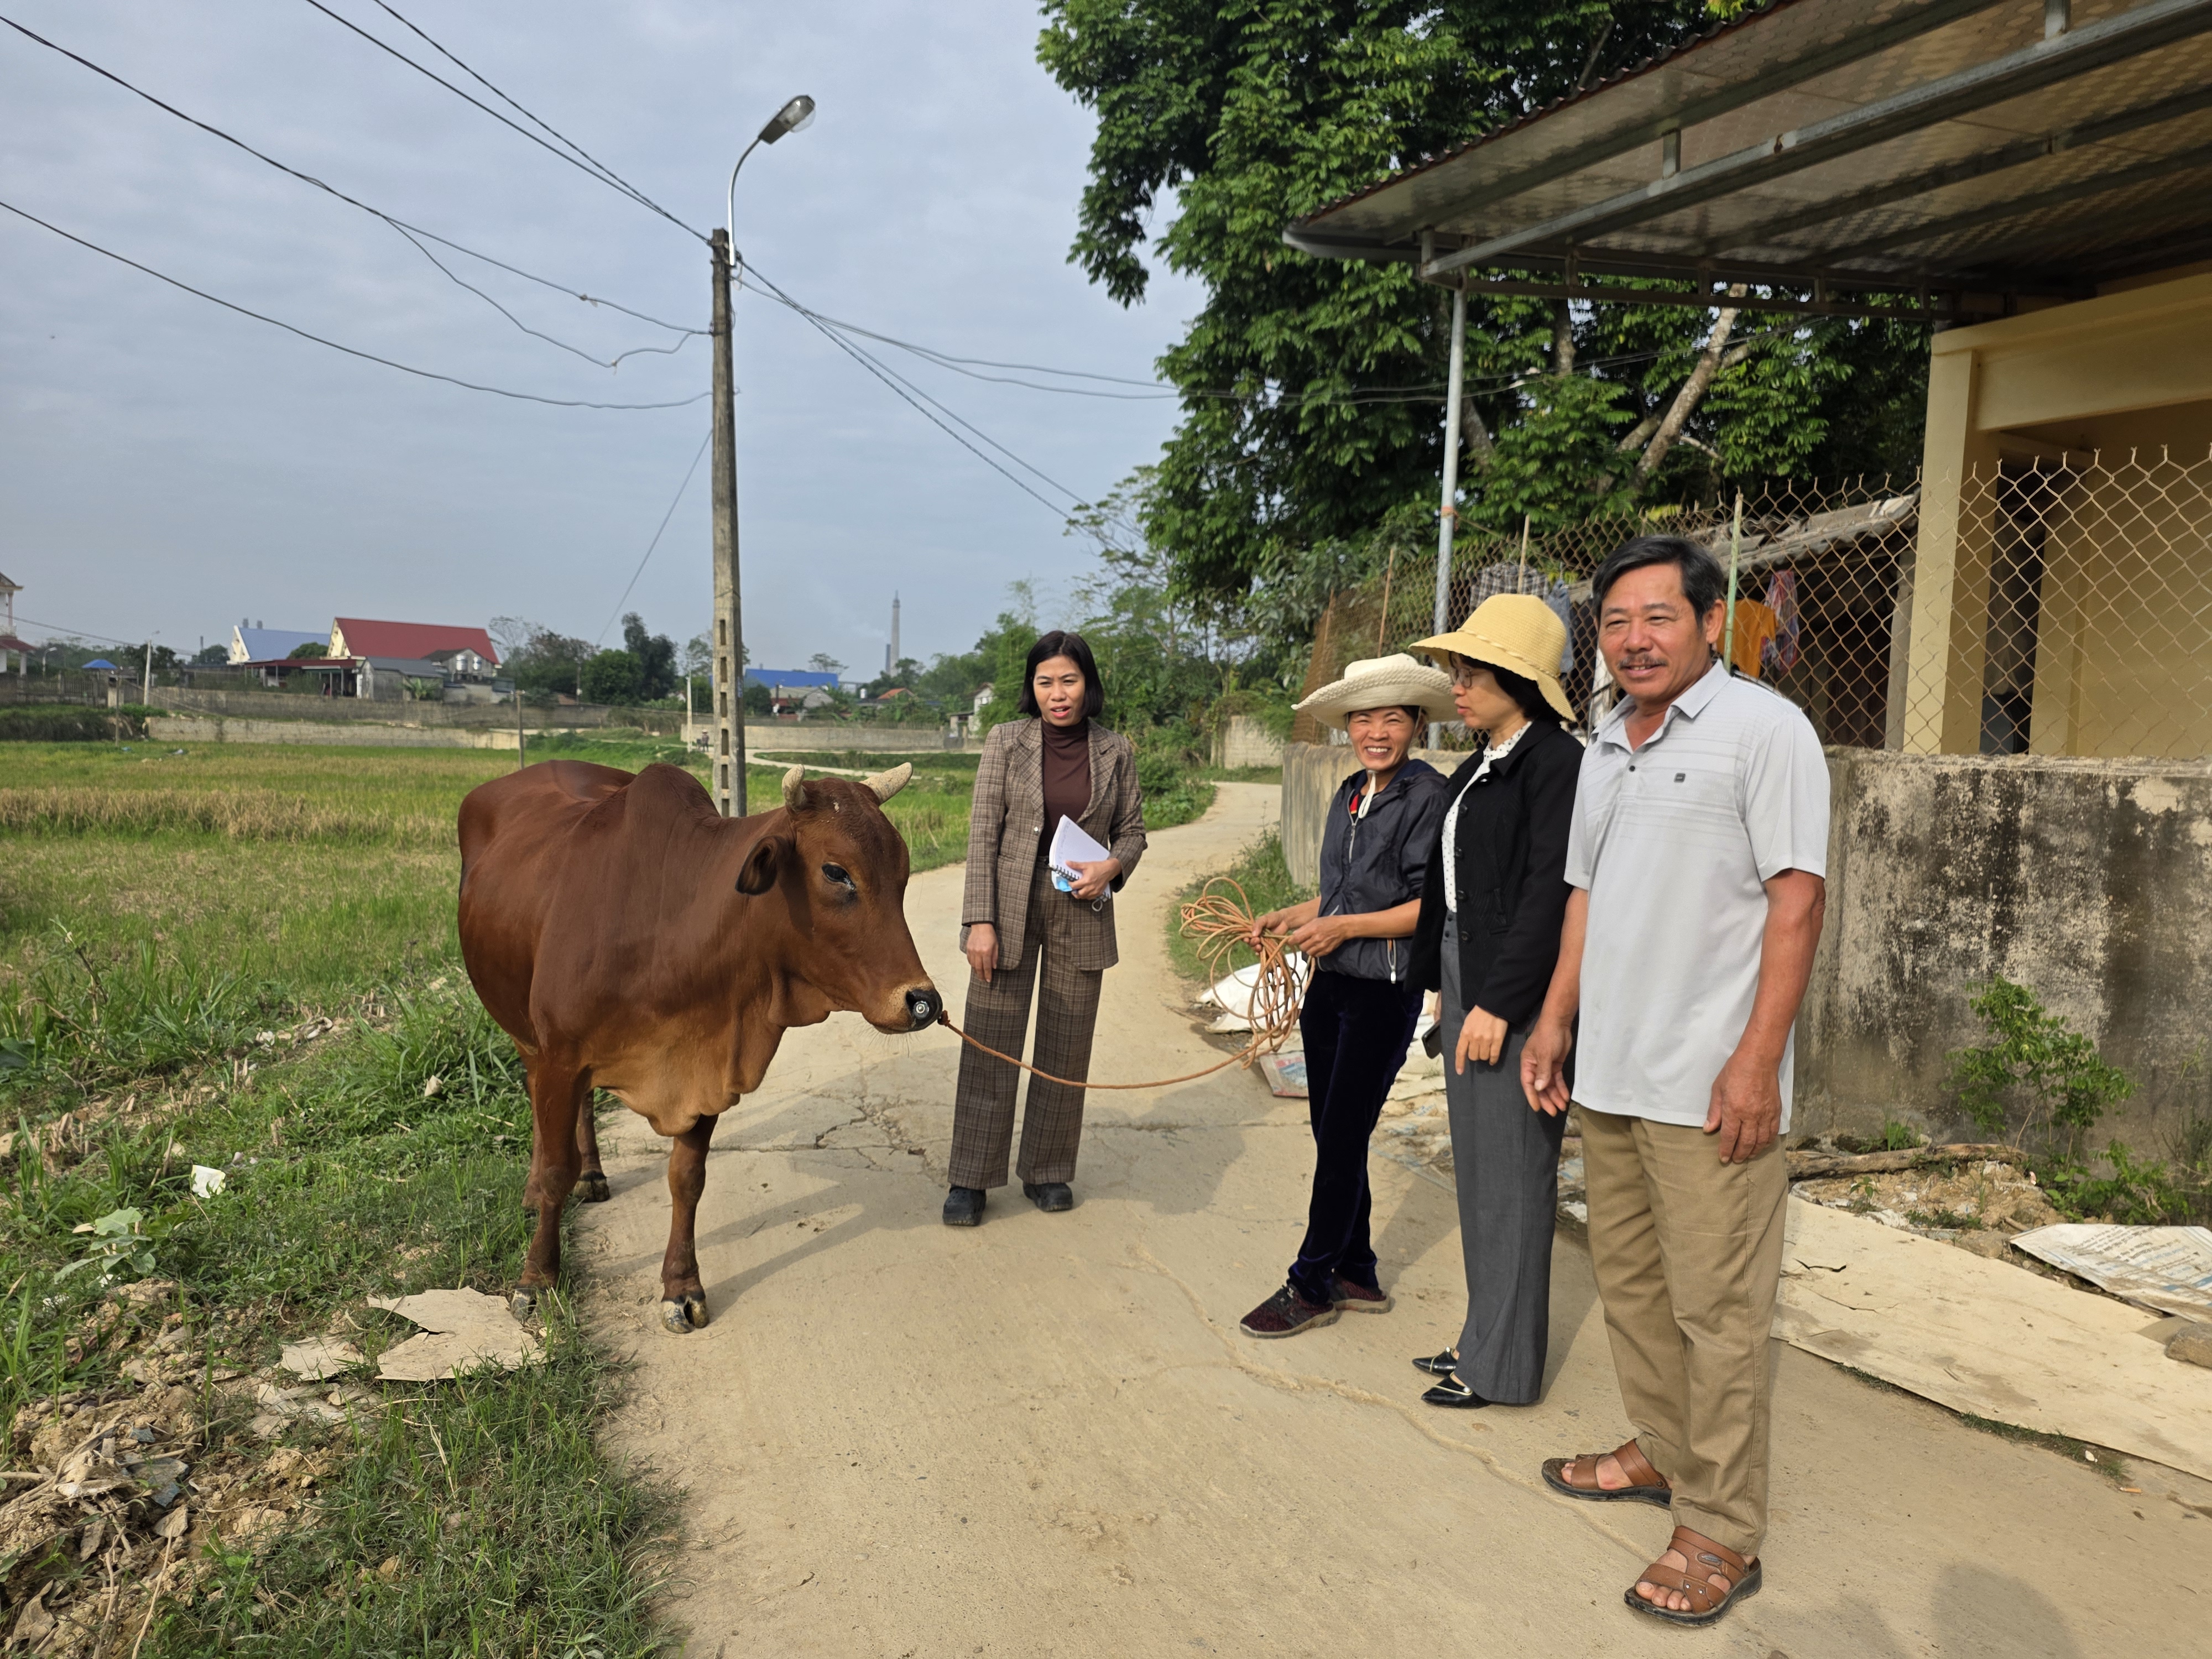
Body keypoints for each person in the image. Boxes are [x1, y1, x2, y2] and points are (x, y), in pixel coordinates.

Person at [1520, 536, 1829, 1626]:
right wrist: (1555, 1021)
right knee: (1637, 1293)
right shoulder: (1606, 740)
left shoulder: (1764, 733)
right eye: (1614, 622)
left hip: (1708, 1089)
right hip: (1609, 1074)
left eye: (1656, 616)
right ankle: (1659, 1451)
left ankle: (1719, 1527)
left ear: (1709, 620)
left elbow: (1795, 903)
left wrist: (1754, 1065)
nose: (1633, 639)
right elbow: (1583, 898)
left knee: (1718, 1310)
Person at [1237, 655, 1454, 1338]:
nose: (1377, 731)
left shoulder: (1428, 797)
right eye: (1364, 718)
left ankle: (1310, 1283)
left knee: (1338, 1139)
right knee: (1335, 1133)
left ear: (1417, 724)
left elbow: (1432, 908)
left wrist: (1343, 927)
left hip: (1382, 993)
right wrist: (1293, 916)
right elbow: (1342, 895)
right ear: (1346, 728)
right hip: (1329, 985)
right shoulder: (1349, 793)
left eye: (1393, 717)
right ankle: (1356, 1269)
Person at [1402, 595, 1582, 1409]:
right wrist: (1442, 989)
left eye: (1470, 672)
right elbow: (1449, 890)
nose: (1457, 687)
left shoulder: (1555, 764)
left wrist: (1501, 1005)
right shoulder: (1479, 763)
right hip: (1468, 978)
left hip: (1515, 990)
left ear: (1519, 678)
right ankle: (1482, 1337)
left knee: (1513, 1172)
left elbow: (1550, 894)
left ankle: (1504, 1368)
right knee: (1477, 1174)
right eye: (1455, 671)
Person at [946, 632, 1146, 1226]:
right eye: (1045, 682)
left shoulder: (1116, 750)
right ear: (1031, 689)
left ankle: (1048, 1170)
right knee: (992, 1036)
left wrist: (1113, 865)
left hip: (1080, 906)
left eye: (1069, 681)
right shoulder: (1006, 742)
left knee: (1066, 1043)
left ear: (1088, 685)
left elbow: (1132, 831)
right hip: (1008, 904)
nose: (1058, 695)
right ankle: (971, 1177)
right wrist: (979, 921)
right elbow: (982, 834)